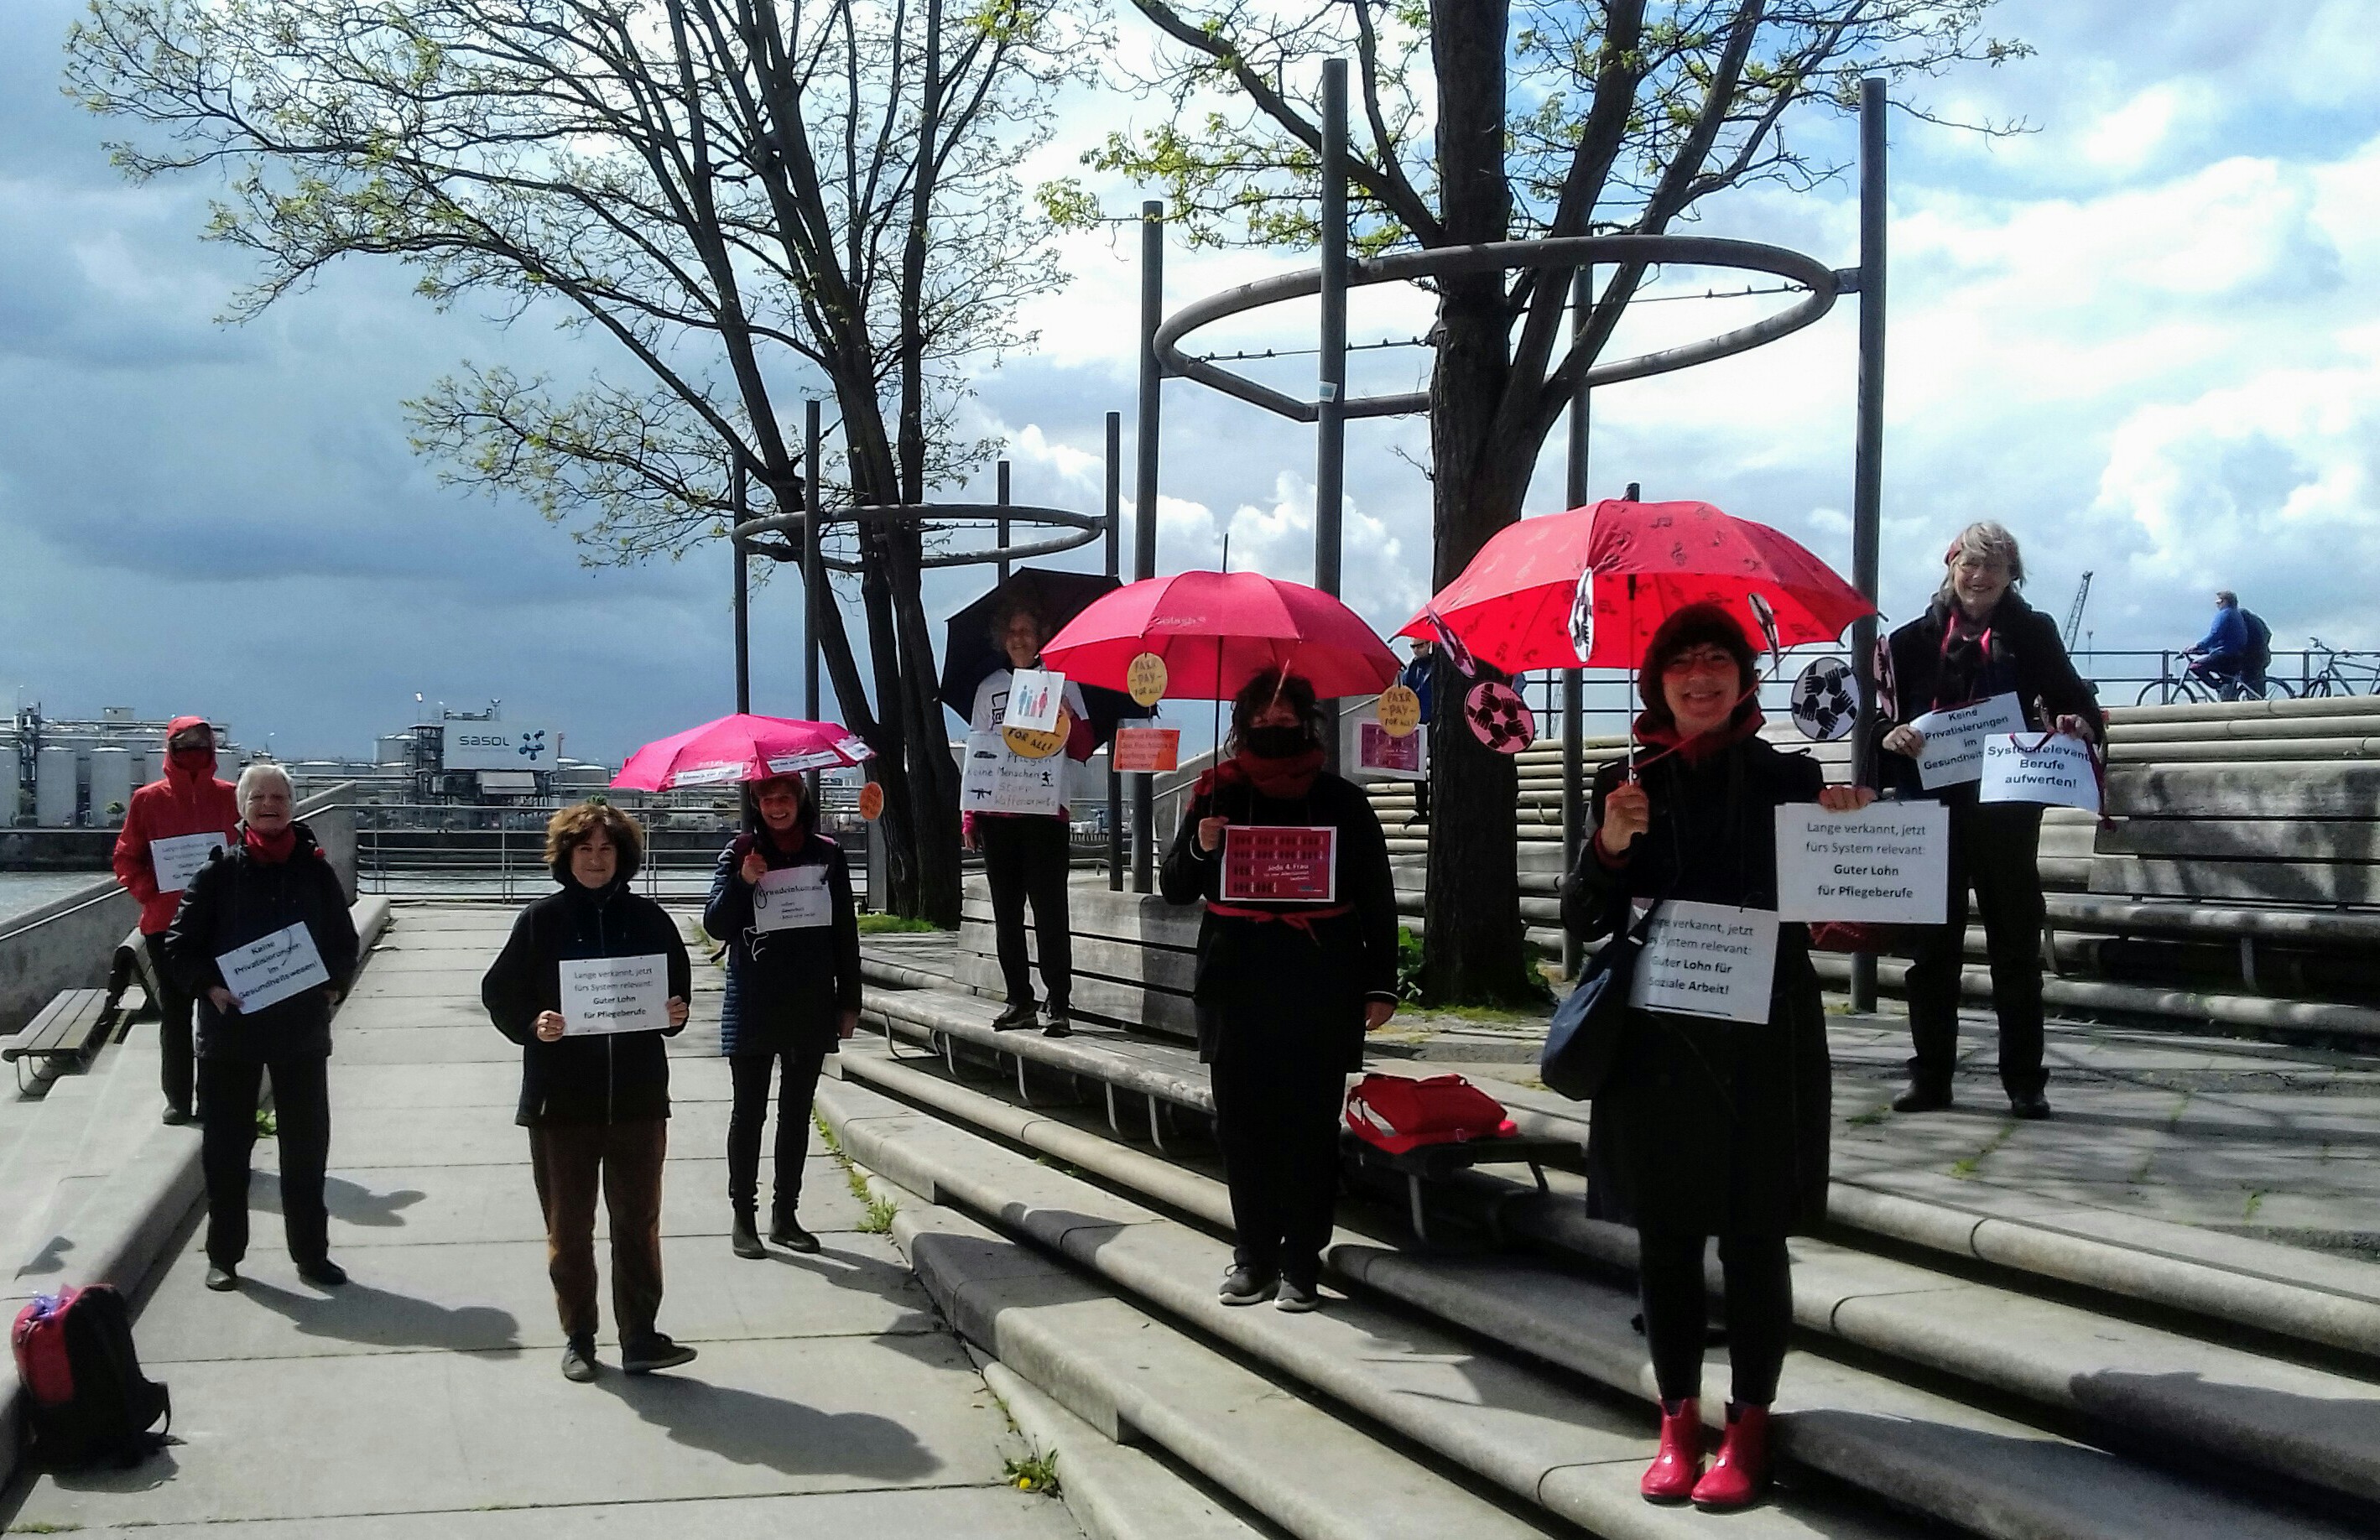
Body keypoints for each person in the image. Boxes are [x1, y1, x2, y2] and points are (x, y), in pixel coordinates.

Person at [1560, 603, 1872, 1510]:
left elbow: (1844, 911)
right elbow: (1585, 916)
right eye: (1680, 662)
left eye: (1717, 660)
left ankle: (1746, 1428)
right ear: (1655, 681)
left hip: (1760, 1037)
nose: (1699, 676)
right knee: (1664, 1240)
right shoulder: (1622, 777)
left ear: (1744, 678)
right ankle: (1673, 1423)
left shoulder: (1790, 774)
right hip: (1655, 1038)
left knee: (1751, 1236)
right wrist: (1610, 846)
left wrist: (1843, 823)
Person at [1160, 669, 1398, 1314]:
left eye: (1283, 714)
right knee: (1241, 1127)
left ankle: (1302, 1261)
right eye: (1259, 715)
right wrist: (1201, 847)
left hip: (1317, 981)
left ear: (1306, 719)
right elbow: (1176, 886)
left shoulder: (1342, 801)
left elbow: (1375, 893)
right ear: (1241, 723)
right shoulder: (1213, 796)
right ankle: (1253, 1256)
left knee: (1308, 1128)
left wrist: (1381, 983)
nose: (1272, 724)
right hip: (1235, 981)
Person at [1874, 522, 2099, 1121]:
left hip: (2005, 810)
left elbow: (2072, 700)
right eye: (1969, 566)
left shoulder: (2033, 631)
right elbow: (1877, 723)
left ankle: (2025, 1082)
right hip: (1931, 811)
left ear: (2011, 576)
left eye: (1993, 569)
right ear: (1950, 569)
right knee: (1931, 955)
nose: (1979, 578)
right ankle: (1930, 1079)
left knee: (2015, 951)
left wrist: (2073, 723)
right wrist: (1889, 735)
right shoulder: (1905, 641)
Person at [482, 801, 697, 1382]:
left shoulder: (652, 920)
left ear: (622, 856)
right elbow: (500, 994)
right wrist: (535, 1024)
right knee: (568, 1228)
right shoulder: (538, 921)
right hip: (561, 1102)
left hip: (637, 1099)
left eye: (606, 849)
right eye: (586, 850)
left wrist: (675, 1013)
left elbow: (677, 996)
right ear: (567, 856)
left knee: (637, 1222)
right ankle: (579, 1336)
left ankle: (641, 1337)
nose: (597, 860)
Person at [163, 762, 360, 1293]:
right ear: (241, 808)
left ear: (293, 806)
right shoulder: (217, 874)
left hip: (299, 1031)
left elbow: (343, 941)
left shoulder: (315, 871)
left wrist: (334, 985)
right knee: (226, 1151)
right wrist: (210, 987)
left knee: (306, 1147)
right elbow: (180, 947)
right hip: (231, 1032)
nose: (270, 805)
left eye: (280, 797)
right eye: (259, 798)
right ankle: (224, 1256)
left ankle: (311, 1256)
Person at [704, 773, 862, 1260]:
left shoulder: (828, 854)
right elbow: (715, 924)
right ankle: (743, 1217)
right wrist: (742, 882)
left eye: (785, 799)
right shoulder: (739, 853)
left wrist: (849, 1001)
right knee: (748, 1112)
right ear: (756, 803)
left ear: (800, 801)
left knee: (796, 1113)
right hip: (752, 998)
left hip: (810, 998)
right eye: (767, 799)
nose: (777, 808)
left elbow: (844, 932)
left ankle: (785, 1214)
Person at [965, 597, 1095, 1035]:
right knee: (1007, 913)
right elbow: (977, 753)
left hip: (1045, 812)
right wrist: (970, 815)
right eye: (1012, 631)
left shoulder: (1062, 683)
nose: (1019, 638)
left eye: (1028, 630)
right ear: (1002, 638)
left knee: (1050, 912)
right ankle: (1019, 999)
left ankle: (1059, 1002)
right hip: (999, 813)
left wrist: (1069, 717)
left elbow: (1082, 747)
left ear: (1041, 637)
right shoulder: (988, 688)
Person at [112, 715, 241, 1125]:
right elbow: (126, 857)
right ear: (169, 750)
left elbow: (248, 851)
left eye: (201, 744)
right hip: (164, 925)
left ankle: (214, 1096)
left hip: (220, 925)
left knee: (219, 1014)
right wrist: (151, 892)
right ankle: (178, 1099)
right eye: (183, 744)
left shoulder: (231, 797)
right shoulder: (147, 800)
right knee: (175, 1015)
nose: (193, 752)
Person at [2184, 591, 2267, 700]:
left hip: (2226, 654)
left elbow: (2215, 634)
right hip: (2240, 654)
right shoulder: (2236, 614)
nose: (2217, 604)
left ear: (2225, 601)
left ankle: (2219, 687)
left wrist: (2198, 646)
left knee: (2196, 667)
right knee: (2230, 682)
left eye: (2218, 602)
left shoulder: (2225, 614)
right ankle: (2228, 697)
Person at [1398, 639, 1435, 826]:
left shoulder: (1436, 665)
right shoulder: (1410, 669)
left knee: (1437, 765)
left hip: (1435, 721)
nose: (1416, 650)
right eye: (1413, 647)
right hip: (1416, 723)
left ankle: (1433, 805)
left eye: (1420, 646)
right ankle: (1421, 808)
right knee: (1416, 770)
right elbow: (1405, 695)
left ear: (1428, 644)